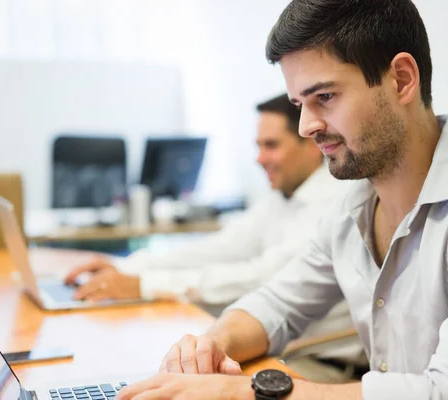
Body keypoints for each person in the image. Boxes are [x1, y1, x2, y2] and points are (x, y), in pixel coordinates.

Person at [117, 0, 448, 399]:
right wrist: (210, 345)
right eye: (300, 104)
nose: (305, 127)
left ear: (401, 79)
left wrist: (244, 394)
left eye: (325, 98)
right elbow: (277, 304)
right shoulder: (354, 206)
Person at [64, 93, 365, 381]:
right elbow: (222, 248)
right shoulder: (282, 195)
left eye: (271, 145)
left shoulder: (332, 202)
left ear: (311, 143)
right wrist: (129, 268)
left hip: (317, 363)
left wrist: (144, 285)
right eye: (258, 146)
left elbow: (260, 279)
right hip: (277, 350)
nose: (259, 159)